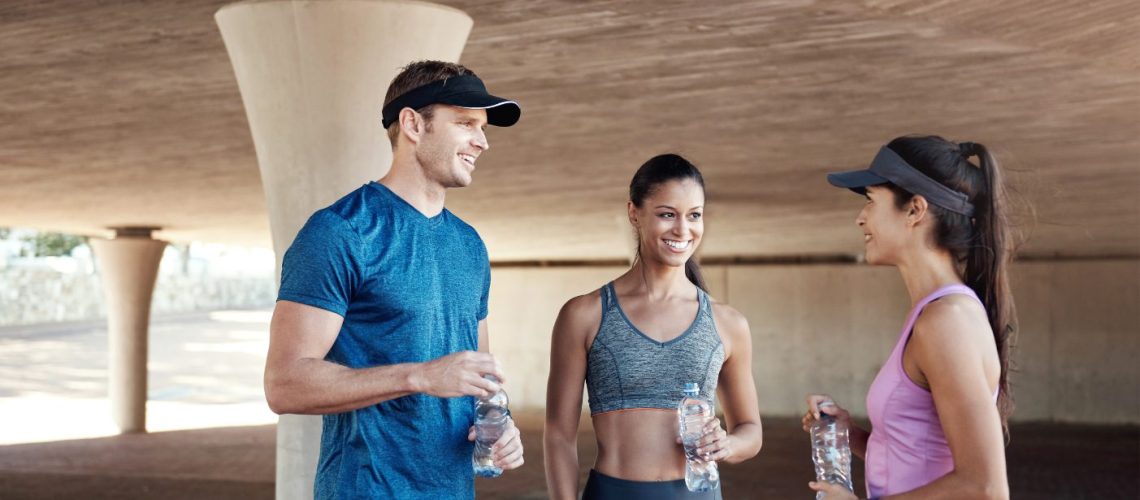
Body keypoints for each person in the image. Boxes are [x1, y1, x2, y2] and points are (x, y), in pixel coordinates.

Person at [263, 60, 525, 499]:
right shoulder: (340, 231)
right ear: (412, 124)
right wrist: (418, 377)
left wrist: (498, 425)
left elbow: (478, 375)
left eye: (483, 128)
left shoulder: (469, 245)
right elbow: (283, 384)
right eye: (465, 123)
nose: (481, 142)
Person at [803, 136, 1016, 499]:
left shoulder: (947, 322)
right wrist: (849, 432)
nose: (860, 217)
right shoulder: (934, 313)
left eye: (871, 200)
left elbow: (984, 487)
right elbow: (919, 459)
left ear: (915, 210)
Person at [544, 154, 764, 499]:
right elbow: (558, 434)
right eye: (667, 214)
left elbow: (750, 431)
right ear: (635, 213)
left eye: (694, 215)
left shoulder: (728, 323)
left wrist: (728, 444)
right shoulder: (584, 314)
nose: (682, 229)